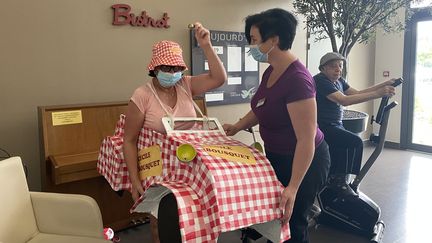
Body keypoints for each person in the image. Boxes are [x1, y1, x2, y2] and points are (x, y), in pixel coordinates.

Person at [223, 9, 330, 243]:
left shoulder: (298, 80)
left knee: (293, 223)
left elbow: (306, 139)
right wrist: (238, 126)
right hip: (277, 156)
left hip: (304, 161)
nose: (250, 46)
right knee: (277, 221)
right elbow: (262, 106)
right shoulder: (272, 71)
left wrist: (292, 187)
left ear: (274, 40)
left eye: (253, 40)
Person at [122, 22, 227, 242]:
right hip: (159, 170)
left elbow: (219, 79)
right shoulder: (142, 95)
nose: (173, 74)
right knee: (160, 224)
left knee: (195, 219)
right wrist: (134, 181)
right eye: (167, 69)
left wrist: (206, 45)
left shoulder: (186, 85)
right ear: (155, 68)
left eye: (177, 69)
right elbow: (129, 140)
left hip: (190, 167)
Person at [314, 52, 396, 184]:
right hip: (323, 126)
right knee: (355, 142)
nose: (338, 69)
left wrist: (383, 85)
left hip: (335, 124)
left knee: (344, 145)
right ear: (323, 68)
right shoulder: (321, 81)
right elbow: (344, 100)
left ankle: (338, 178)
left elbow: (357, 93)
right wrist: (377, 94)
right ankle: (339, 180)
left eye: (340, 66)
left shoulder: (339, 81)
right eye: (333, 66)